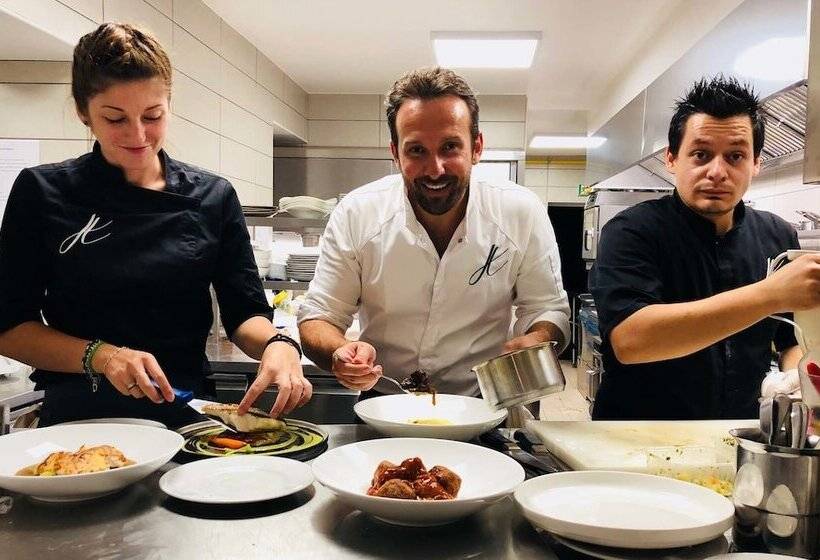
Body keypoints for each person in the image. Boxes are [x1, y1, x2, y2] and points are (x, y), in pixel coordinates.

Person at [0, 23, 312, 427]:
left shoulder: (212, 196)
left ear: (169, 105)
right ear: (83, 112)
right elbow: (9, 328)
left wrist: (278, 344)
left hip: (185, 415)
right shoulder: (42, 192)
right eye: (115, 118)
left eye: (153, 116)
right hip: (79, 419)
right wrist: (102, 356)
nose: (138, 135)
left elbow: (244, 314)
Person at [298, 67, 570, 398]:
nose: (435, 169)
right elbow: (319, 317)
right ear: (395, 153)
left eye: (450, 146)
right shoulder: (357, 214)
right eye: (417, 150)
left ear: (477, 147)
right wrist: (339, 352)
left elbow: (548, 309)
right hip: (385, 402)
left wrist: (538, 338)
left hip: (484, 403)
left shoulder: (521, 212)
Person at [589, 75, 820, 420]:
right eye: (701, 154)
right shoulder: (632, 230)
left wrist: (796, 377)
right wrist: (770, 294)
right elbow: (631, 340)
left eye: (735, 156)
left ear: (756, 163)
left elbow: (792, 339)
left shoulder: (777, 235)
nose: (717, 172)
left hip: (736, 432)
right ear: (671, 159)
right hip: (638, 433)